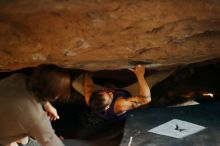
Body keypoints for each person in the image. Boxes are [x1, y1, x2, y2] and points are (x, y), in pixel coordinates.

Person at [0, 64, 71, 146]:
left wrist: (47, 105)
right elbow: (52, 142)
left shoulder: (18, 78)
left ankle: (27, 143)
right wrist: (44, 131)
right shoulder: (36, 119)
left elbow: (33, 90)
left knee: (23, 131)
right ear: (55, 96)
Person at [72, 65, 175, 121]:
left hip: (110, 98)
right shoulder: (120, 105)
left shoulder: (90, 98)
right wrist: (140, 75)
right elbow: (146, 99)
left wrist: (87, 69)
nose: (110, 91)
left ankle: (103, 92)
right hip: (126, 96)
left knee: (75, 83)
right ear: (107, 107)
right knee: (153, 79)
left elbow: (89, 86)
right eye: (110, 95)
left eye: (105, 91)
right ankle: (177, 67)